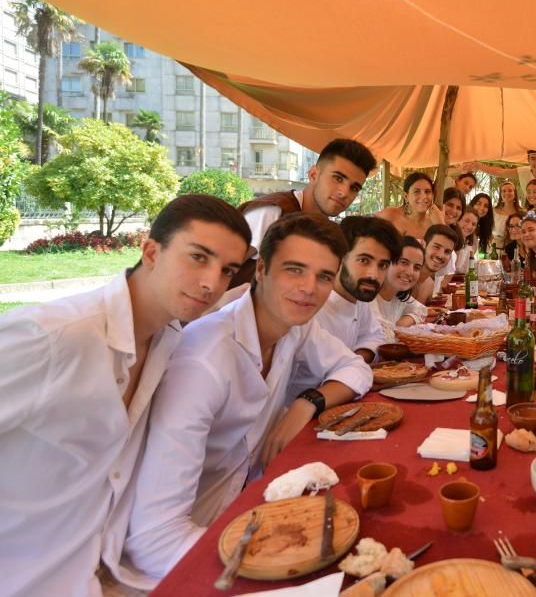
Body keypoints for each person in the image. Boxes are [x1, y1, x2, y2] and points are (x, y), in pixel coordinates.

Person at [0, 194, 252, 597]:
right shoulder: (54, 335)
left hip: (106, 572)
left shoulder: (168, 340)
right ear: (151, 250)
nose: (211, 283)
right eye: (198, 258)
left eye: (228, 270)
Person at [123, 213, 372, 586]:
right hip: (194, 550)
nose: (309, 288)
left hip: (257, 505)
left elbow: (357, 369)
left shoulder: (294, 327)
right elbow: (153, 539)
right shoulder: (203, 362)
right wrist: (273, 565)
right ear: (261, 272)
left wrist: (307, 403)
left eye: (324, 276)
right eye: (294, 269)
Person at [234, 138, 376, 286]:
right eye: (338, 178)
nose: (344, 192)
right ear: (313, 174)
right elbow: (219, 271)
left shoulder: (327, 232)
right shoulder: (273, 212)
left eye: (354, 188)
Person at [309, 215, 402, 363]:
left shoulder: (359, 297)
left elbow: (375, 336)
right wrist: (353, 366)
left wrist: (358, 358)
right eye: (364, 260)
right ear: (339, 257)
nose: (373, 275)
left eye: (382, 265)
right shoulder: (311, 308)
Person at [376, 236, 429, 328]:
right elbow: (384, 334)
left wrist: (404, 322)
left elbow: (421, 310)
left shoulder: (399, 296)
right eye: (404, 262)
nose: (410, 272)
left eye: (417, 267)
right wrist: (396, 329)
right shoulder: (367, 300)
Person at [376, 172, 443, 239]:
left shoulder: (434, 222)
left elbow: (448, 248)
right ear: (406, 196)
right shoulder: (389, 216)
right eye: (417, 191)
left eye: (427, 191)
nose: (424, 196)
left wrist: (441, 224)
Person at [411, 224, 461, 303]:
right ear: (423, 245)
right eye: (436, 247)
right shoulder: (405, 278)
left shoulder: (429, 286)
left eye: (447, 252)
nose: (440, 255)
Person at [454, 209, 480, 273]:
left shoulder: (472, 242)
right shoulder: (450, 240)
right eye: (466, 221)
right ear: (458, 220)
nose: (469, 226)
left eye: (473, 224)